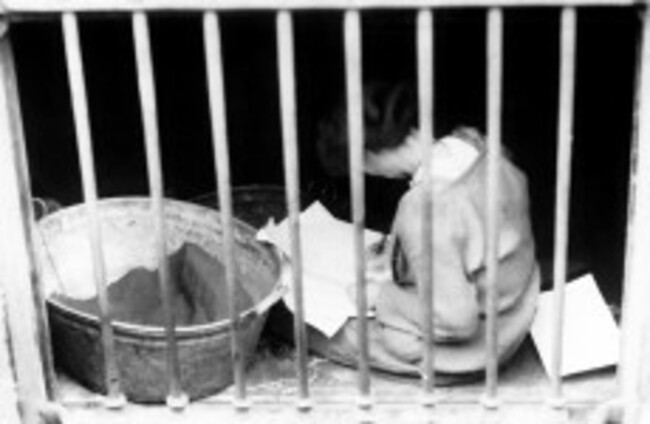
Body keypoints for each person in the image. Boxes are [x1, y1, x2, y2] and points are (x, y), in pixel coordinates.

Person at [313, 81, 540, 378]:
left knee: (320, 329)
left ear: (368, 157)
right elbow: (469, 233)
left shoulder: (423, 208)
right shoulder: (476, 144)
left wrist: (380, 296)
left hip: (482, 345)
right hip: (519, 304)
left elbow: (456, 321)